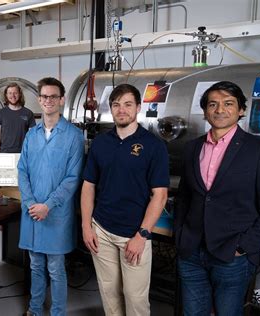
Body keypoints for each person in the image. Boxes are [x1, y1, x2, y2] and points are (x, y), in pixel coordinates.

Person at [174, 81, 260, 316]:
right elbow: (184, 198)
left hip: (232, 256)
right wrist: (180, 236)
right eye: (213, 104)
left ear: (241, 110)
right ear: (205, 111)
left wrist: (244, 247)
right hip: (191, 251)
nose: (219, 109)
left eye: (228, 103)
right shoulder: (192, 148)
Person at [81, 83, 169, 316]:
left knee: (135, 298)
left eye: (128, 104)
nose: (121, 109)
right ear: (111, 108)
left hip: (134, 234)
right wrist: (86, 226)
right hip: (101, 230)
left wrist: (142, 235)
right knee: (109, 293)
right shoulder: (100, 143)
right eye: (116, 104)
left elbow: (160, 195)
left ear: (138, 107)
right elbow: (88, 186)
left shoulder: (153, 146)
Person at [18, 77, 84, 316]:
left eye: (53, 96)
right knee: (35, 265)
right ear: (39, 100)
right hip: (32, 212)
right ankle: (34, 310)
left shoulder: (74, 136)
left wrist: (48, 205)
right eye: (44, 96)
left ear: (62, 99)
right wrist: (30, 203)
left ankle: (58, 313)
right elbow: (22, 170)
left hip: (56, 214)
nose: (48, 101)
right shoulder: (31, 135)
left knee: (56, 268)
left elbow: (72, 178)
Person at [0, 83, 36, 153]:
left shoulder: (28, 113)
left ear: (19, 94)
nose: (12, 95)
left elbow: (32, 137)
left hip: (23, 153)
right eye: (10, 93)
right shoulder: (0, 113)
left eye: (15, 93)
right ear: (6, 95)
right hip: (5, 153)